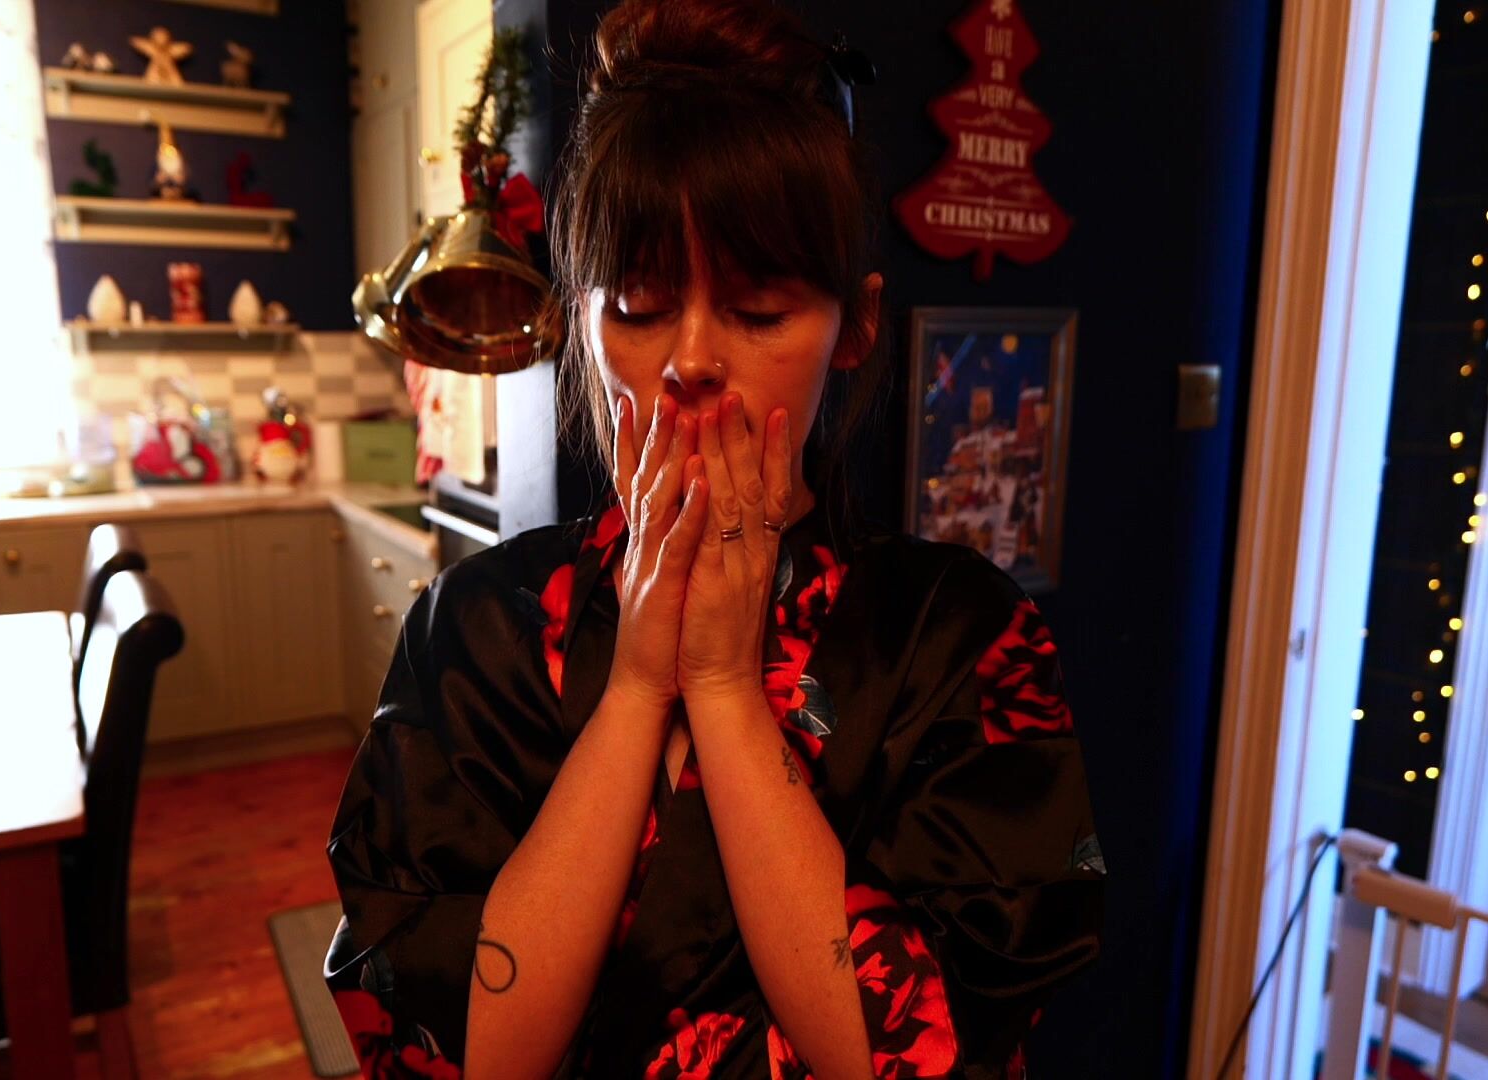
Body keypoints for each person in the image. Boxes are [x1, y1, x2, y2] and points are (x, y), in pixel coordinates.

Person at [324, 2, 1104, 1076]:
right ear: (581, 320)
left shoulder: (958, 640)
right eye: (639, 306)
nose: (690, 360)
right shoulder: (475, 632)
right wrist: (640, 687)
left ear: (853, 327)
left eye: (759, 310)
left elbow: (923, 1049)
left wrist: (728, 691)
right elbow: (458, 1052)